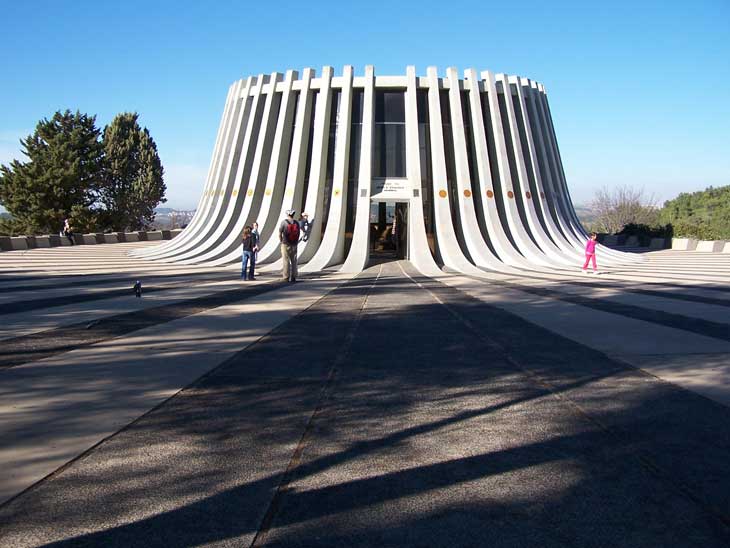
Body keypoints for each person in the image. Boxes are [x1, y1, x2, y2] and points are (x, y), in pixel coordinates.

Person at [279, 209, 300, 282]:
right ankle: (294, 276)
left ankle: (286, 277)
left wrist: (281, 241)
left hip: (285, 244)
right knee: (294, 260)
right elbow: (298, 234)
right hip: (294, 244)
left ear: (287, 215)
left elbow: (280, 233)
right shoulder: (296, 223)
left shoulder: (284, 222)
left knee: (286, 260)